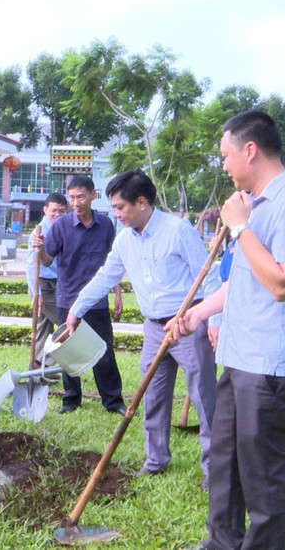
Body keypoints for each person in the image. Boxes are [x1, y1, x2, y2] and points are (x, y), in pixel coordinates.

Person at [172, 110, 285, 549]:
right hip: (239, 358)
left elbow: (280, 283)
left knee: (262, 475)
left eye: (225, 155)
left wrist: (239, 227)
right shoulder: (254, 207)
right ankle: (221, 542)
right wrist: (200, 313)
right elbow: (245, 283)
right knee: (225, 463)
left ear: (250, 150)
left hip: (269, 365)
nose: (223, 165)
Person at [67, 169, 218, 485]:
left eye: (121, 207)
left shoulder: (178, 231)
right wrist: (77, 308)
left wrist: (213, 321)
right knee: (152, 394)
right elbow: (106, 277)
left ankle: (213, 468)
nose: (116, 214)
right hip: (154, 328)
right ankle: (156, 459)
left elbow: (209, 276)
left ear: (142, 202)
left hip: (188, 323)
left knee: (204, 396)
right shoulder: (124, 241)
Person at [32, 174, 126, 415]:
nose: (76, 202)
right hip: (67, 299)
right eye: (72, 197)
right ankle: (71, 400)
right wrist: (40, 249)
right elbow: (47, 260)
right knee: (68, 353)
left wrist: (118, 293)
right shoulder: (60, 226)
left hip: (97, 302)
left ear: (93, 196)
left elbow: (112, 263)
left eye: (81, 196)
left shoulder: (106, 225)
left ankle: (113, 402)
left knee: (104, 351)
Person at [25, 192, 67, 369]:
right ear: (45, 210)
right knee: (65, 323)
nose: (57, 215)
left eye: (61, 211)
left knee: (43, 325)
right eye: (54, 211)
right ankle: (48, 363)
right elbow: (30, 265)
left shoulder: (63, 229)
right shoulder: (39, 232)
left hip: (57, 283)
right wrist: (37, 294)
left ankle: (39, 363)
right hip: (42, 284)